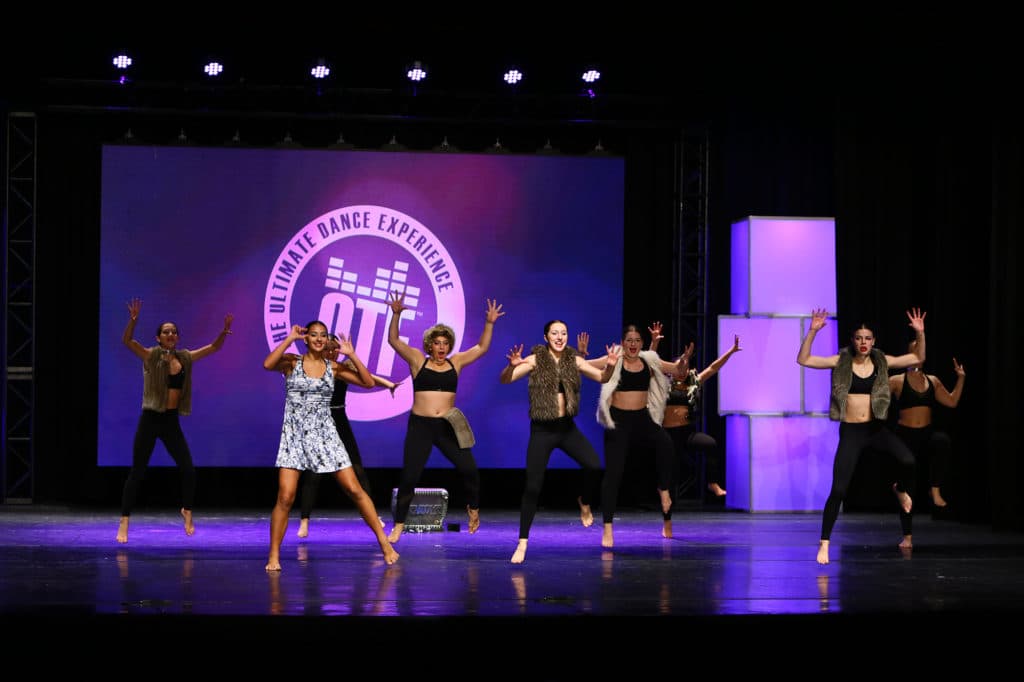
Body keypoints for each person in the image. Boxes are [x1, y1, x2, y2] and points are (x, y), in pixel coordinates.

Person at [264, 321, 398, 570]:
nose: (318, 339)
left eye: (322, 336)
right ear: (306, 339)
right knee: (285, 496)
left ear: (327, 340)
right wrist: (289, 338)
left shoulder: (333, 367)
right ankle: (274, 556)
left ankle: (385, 544)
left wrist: (352, 354)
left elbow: (368, 383)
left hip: (326, 435)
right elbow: (267, 364)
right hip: (295, 436)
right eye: (313, 335)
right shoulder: (292, 361)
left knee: (355, 489)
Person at [797, 307, 926, 564]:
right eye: (859, 338)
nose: (863, 342)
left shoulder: (883, 361)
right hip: (852, 431)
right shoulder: (841, 361)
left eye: (868, 338)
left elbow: (917, 358)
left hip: (876, 429)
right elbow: (804, 359)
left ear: (874, 341)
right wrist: (812, 331)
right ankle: (824, 544)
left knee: (909, 461)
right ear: (853, 341)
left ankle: (899, 489)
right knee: (839, 489)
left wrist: (920, 334)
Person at [385, 292, 505, 543]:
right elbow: (394, 340)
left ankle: (473, 510)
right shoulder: (418, 360)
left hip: (447, 425)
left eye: (445, 343)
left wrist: (490, 323)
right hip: (421, 426)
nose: (441, 347)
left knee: (470, 469)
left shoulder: (456, 362)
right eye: (437, 343)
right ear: (430, 345)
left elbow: (482, 348)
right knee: (410, 476)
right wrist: (396, 314)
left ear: (449, 345)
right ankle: (398, 523)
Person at [500, 320, 618, 564]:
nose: (560, 337)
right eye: (555, 333)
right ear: (546, 336)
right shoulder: (534, 359)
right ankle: (522, 542)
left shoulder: (573, 360)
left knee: (595, 466)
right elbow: (506, 380)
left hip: (566, 429)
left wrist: (610, 367)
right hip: (542, 430)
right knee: (533, 487)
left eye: (563, 333)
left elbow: (602, 378)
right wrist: (510, 367)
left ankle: (584, 502)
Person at [117, 297, 233, 544]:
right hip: (150, 418)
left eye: (173, 332)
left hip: (170, 421)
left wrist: (223, 332)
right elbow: (128, 341)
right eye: (165, 332)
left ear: (177, 337)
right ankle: (124, 520)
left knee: (188, 469)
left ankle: (187, 511)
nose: (170, 334)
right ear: (158, 338)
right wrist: (133, 321)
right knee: (137, 471)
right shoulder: (151, 356)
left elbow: (213, 348)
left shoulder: (186, 358)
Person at [582, 325, 689, 548]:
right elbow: (583, 367)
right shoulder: (614, 357)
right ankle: (608, 528)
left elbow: (678, 371)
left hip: (642, 419)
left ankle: (664, 492)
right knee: (614, 474)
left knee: (666, 445)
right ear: (623, 342)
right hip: (618, 421)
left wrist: (684, 361)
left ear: (641, 344)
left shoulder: (649, 360)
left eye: (637, 340)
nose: (633, 343)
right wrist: (582, 354)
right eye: (629, 340)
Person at [296, 334, 402, 538]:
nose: (332, 351)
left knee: (358, 470)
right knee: (313, 474)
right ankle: (304, 521)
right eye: (328, 348)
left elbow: (368, 378)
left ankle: (372, 515)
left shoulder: (343, 367)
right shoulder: (314, 366)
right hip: (318, 421)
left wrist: (388, 384)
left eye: (335, 348)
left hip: (339, 419)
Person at [889, 341, 964, 539]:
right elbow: (878, 402)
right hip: (905, 436)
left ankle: (935, 490)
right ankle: (907, 535)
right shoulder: (897, 380)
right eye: (915, 349)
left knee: (942, 441)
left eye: (922, 350)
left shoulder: (932, 380)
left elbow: (952, 401)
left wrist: (961, 379)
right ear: (908, 354)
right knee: (909, 486)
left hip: (926, 434)